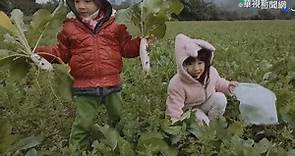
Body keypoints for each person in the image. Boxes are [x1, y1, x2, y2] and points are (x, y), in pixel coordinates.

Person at [36, 0, 144, 151]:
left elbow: (126, 48)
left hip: (112, 82)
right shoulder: (70, 26)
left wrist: (141, 43)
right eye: (77, 1)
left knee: (119, 117)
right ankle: (76, 149)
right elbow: (61, 54)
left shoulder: (116, 24)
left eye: (87, 1)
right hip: (85, 86)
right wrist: (39, 53)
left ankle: (123, 144)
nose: (81, 6)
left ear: (100, 2)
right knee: (83, 122)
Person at [166, 34, 238, 126]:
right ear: (183, 65)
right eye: (191, 64)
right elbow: (174, 108)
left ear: (206, 62)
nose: (196, 68)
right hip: (188, 112)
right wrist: (174, 124)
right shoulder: (177, 84)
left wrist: (229, 86)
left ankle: (213, 123)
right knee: (200, 119)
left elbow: (219, 83)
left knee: (220, 98)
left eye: (200, 63)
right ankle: (207, 132)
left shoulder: (211, 73)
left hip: (204, 104)